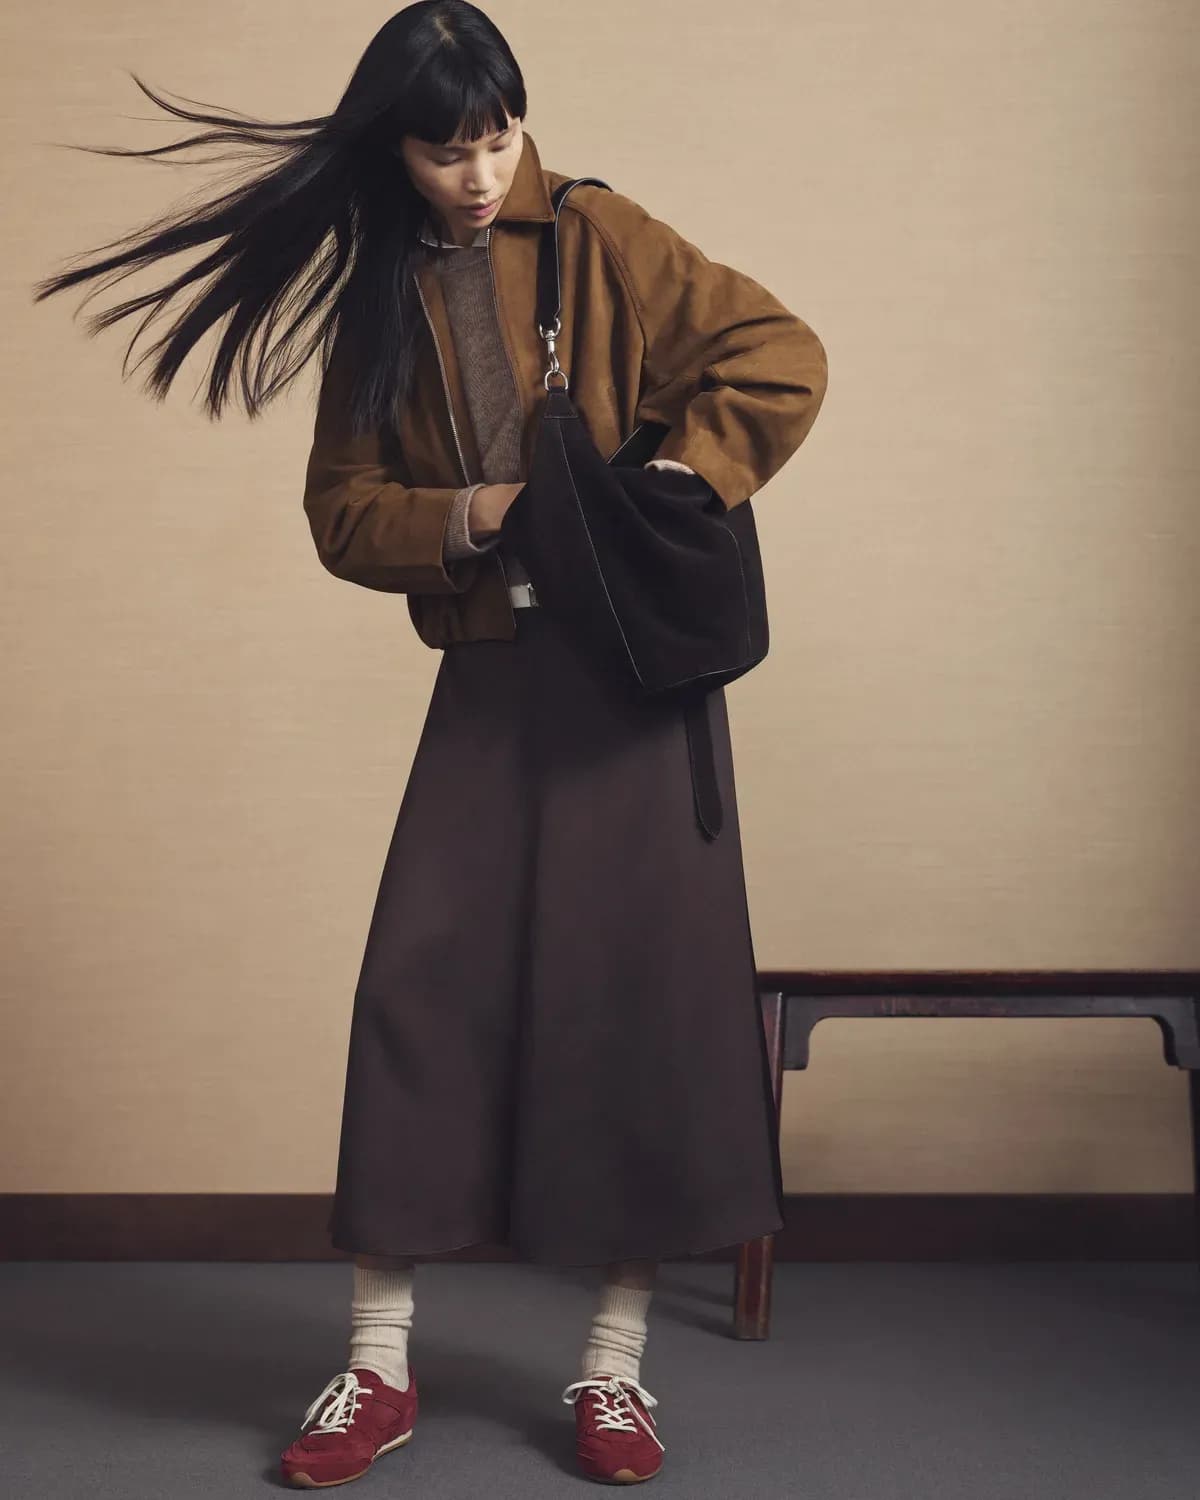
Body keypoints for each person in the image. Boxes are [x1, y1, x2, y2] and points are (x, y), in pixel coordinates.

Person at [34, 2, 827, 1487]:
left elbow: (780, 357)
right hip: (489, 682)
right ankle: (376, 1368)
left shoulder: (602, 236)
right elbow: (343, 512)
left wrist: (671, 483)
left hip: (634, 695)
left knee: (633, 1015)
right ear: (391, 148)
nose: (476, 173)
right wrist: (481, 519)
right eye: (443, 147)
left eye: (497, 138)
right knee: (420, 997)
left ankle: (613, 1378)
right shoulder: (380, 299)